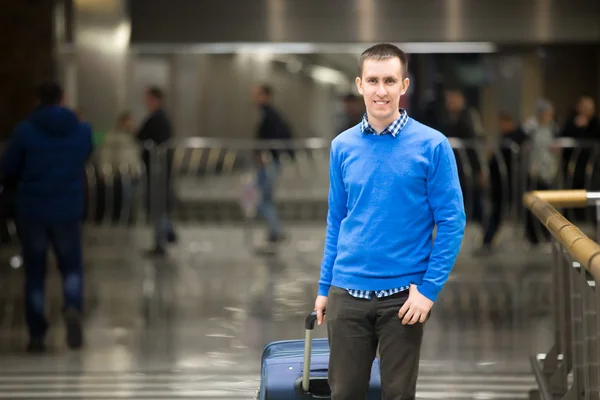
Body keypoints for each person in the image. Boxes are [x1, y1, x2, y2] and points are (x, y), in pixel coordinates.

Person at [314, 43, 466, 399]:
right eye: (373, 81)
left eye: (389, 81)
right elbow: (337, 219)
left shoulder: (433, 146)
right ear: (359, 84)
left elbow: (452, 221)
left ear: (404, 85)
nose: (381, 91)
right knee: (344, 394)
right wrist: (324, 287)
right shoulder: (342, 146)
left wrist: (428, 292)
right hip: (346, 295)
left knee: (398, 395)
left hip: (404, 301)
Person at [0, 81, 94, 352]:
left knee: (36, 273)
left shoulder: (25, 131)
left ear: (37, 100)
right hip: (68, 209)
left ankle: (38, 333)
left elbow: (9, 167)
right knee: (72, 267)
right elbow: (85, 155)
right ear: (63, 99)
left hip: (33, 210)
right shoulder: (81, 130)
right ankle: (73, 307)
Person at [137, 86, 177, 255]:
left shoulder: (157, 119)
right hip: (157, 169)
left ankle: (162, 239)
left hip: (157, 170)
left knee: (157, 205)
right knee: (158, 205)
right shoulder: (160, 118)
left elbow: (141, 135)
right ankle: (167, 232)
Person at [251, 84, 292, 245]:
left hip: (268, 162)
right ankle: (274, 229)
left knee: (263, 197)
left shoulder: (269, 115)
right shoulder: (268, 114)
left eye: (258, 94)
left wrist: (263, 154)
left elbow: (268, 138)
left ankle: (275, 230)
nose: (254, 98)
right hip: (269, 161)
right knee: (262, 197)